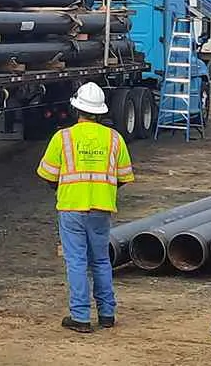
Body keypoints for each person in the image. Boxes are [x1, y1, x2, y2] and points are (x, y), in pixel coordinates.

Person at [36, 81, 135, 333]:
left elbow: (47, 174)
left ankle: (80, 317)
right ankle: (107, 313)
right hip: (101, 208)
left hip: (71, 207)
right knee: (101, 260)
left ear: (76, 109)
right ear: (101, 111)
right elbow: (123, 177)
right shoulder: (114, 138)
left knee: (77, 261)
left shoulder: (64, 137)